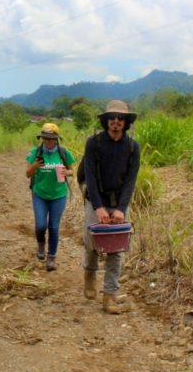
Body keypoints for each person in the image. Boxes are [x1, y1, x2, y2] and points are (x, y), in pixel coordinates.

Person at [81, 100, 140, 314]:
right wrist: (99, 207)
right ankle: (89, 273)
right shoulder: (94, 143)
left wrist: (121, 209)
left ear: (125, 122)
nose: (116, 121)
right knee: (91, 244)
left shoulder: (133, 147)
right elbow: (90, 176)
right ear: (107, 120)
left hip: (119, 204)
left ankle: (109, 296)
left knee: (117, 249)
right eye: (112, 117)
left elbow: (130, 181)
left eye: (120, 118)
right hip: (95, 200)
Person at [25, 123, 75, 271]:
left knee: (54, 226)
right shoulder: (35, 152)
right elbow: (27, 174)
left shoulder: (64, 152)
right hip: (39, 193)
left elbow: (72, 170)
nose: (48, 141)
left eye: (51, 139)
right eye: (45, 138)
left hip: (59, 195)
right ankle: (41, 243)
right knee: (41, 225)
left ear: (56, 140)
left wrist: (68, 172)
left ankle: (51, 257)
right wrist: (34, 166)